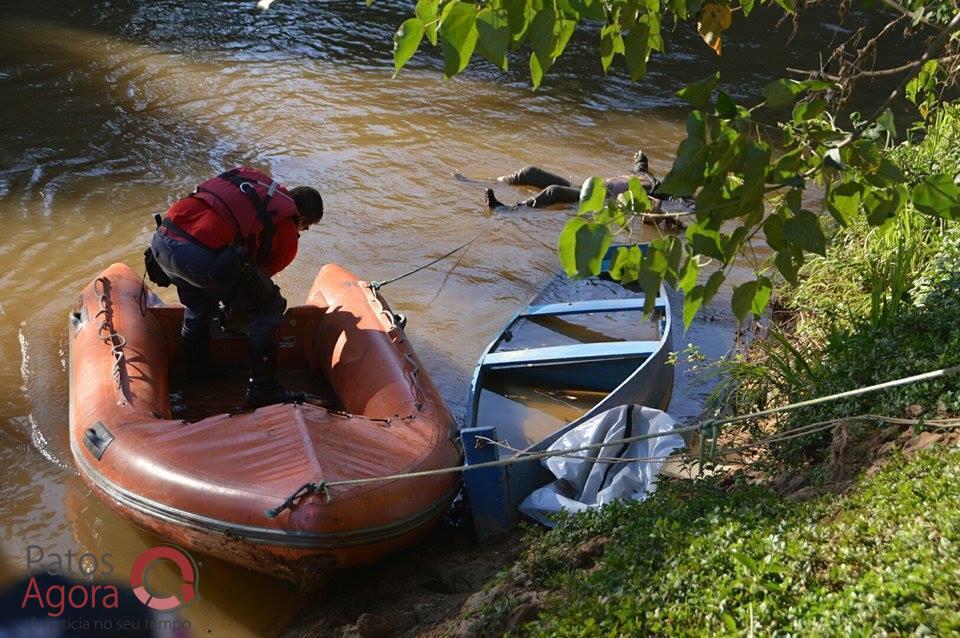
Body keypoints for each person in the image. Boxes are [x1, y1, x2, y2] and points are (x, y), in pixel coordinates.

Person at [145, 167, 324, 409]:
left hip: (162, 242)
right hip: (199, 255)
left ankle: (196, 372)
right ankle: (264, 389)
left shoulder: (254, 188)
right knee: (270, 307)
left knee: (199, 302)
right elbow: (258, 283)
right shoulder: (286, 233)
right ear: (303, 220)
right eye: (306, 228)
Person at [484, 148, 690, 219]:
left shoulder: (661, 190)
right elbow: (640, 168)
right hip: (586, 188)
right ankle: (481, 182)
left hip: (598, 200)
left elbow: (686, 203)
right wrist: (640, 157)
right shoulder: (649, 177)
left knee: (554, 191)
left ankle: (509, 211)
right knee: (531, 172)